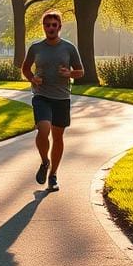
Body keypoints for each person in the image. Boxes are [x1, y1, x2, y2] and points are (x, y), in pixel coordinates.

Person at [20, 10, 84, 192]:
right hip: (41, 95)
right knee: (43, 129)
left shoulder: (69, 48)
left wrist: (70, 73)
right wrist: (33, 78)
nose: (50, 28)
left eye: (54, 25)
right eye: (47, 25)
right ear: (44, 27)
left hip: (62, 97)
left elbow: (81, 71)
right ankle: (44, 161)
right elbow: (25, 68)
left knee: (58, 137)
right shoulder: (36, 47)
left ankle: (53, 175)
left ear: (59, 27)